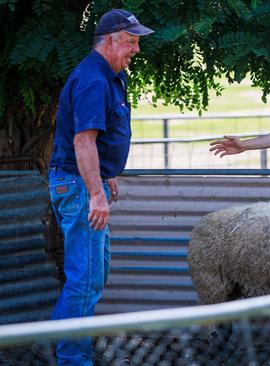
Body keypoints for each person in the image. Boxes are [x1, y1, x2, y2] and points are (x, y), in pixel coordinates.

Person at [48, 9, 153, 365]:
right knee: (86, 277)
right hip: (78, 187)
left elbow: (100, 138)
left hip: (84, 182)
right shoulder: (93, 79)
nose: (136, 49)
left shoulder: (109, 76)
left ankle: (60, 344)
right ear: (109, 40)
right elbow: (83, 141)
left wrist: (106, 173)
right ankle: (71, 359)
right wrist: (95, 193)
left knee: (95, 272)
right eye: (131, 41)